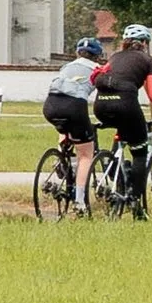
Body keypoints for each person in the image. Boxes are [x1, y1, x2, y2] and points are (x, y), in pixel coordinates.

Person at [93, 22, 152, 195]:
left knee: (123, 130)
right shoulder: (148, 60)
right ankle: (136, 201)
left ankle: (113, 166)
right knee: (139, 151)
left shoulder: (114, 58)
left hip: (101, 105)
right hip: (125, 104)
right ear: (145, 43)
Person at [43, 31, 106, 211]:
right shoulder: (97, 69)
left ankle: (61, 158)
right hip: (74, 106)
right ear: (98, 56)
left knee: (65, 128)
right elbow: (102, 93)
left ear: (78, 53)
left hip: (51, 105)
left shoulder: (67, 66)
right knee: (86, 154)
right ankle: (79, 202)